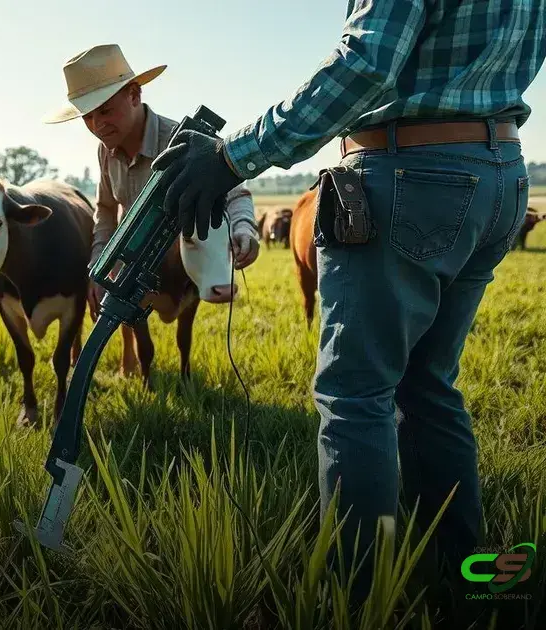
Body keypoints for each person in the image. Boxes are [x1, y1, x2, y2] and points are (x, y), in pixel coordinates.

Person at [154, 0, 546, 603]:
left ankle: (361, 591)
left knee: (356, 394)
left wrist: (233, 157)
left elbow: (366, 64)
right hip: (502, 170)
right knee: (429, 384)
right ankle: (465, 573)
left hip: (409, 171)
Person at [43, 43, 261, 371]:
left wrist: (244, 228)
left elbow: (236, 192)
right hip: (136, 265)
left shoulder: (185, 141)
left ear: (134, 95)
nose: (97, 125)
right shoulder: (105, 153)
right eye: (87, 116)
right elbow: (104, 210)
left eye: (104, 111)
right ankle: (139, 363)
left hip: (184, 262)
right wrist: (98, 264)